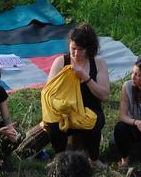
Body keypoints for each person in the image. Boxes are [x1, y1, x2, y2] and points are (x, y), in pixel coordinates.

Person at [44, 24, 109, 163]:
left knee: (94, 121)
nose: (76, 54)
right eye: (73, 49)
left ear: (89, 49)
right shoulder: (61, 61)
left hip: (89, 108)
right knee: (54, 125)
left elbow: (104, 95)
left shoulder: (98, 62)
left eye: (80, 50)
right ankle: (60, 158)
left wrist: (85, 77)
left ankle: (93, 158)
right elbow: (49, 92)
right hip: (65, 109)